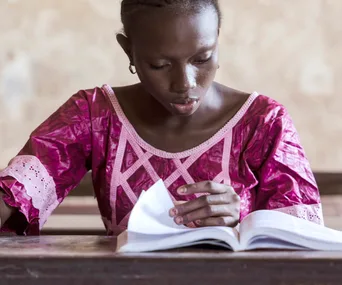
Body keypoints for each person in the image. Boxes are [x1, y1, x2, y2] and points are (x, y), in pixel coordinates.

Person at [0, 0, 323, 235]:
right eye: (160, 65)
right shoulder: (95, 116)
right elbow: (15, 196)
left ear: (217, 38)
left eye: (203, 58)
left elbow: (307, 242)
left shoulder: (264, 123)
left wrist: (245, 216)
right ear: (129, 51)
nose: (185, 83)